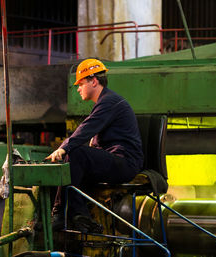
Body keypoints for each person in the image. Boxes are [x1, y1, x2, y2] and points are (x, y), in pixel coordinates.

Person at [46, 58, 143, 233]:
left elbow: (86, 128)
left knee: (76, 154)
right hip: (116, 160)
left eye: (81, 83)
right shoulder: (105, 103)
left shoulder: (110, 102)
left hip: (125, 163)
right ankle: (72, 215)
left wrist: (63, 148)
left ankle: (66, 215)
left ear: (94, 81)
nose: (78, 88)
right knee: (70, 160)